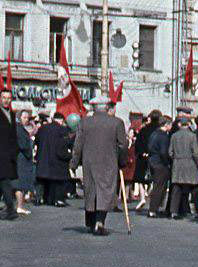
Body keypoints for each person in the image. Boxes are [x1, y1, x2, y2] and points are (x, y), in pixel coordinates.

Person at [69, 95, 128, 235]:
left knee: (91, 191)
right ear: (107, 107)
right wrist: (122, 161)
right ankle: (99, 222)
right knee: (105, 191)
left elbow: (78, 145)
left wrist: (73, 164)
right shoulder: (117, 122)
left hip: (89, 162)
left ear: (93, 108)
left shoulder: (84, 122)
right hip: (109, 162)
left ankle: (91, 222)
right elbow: (123, 145)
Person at [35, 110, 72, 206]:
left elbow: (37, 141)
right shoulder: (63, 130)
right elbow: (63, 147)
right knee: (57, 182)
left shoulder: (42, 128)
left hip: (42, 159)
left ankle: (39, 199)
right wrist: (69, 156)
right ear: (61, 120)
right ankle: (57, 200)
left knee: (42, 181)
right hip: (57, 161)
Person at [167, 117, 198, 220]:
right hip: (190, 164)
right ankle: (197, 210)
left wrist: (175, 159)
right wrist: (197, 163)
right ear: (188, 124)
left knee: (176, 188)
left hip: (177, 164)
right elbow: (195, 152)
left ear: (180, 124)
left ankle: (173, 211)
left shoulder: (174, 136)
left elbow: (170, 152)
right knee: (194, 188)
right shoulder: (192, 136)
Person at [146, 117, 172, 217]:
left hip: (152, 161)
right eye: (170, 124)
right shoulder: (164, 136)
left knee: (156, 186)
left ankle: (154, 208)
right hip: (160, 163)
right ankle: (153, 210)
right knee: (159, 187)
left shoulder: (154, 133)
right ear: (166, 125)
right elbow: (163, 152)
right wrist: (167, 162)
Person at [0, 87, 18, 220]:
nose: (6, 100)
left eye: (8, 98)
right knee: (5, 182)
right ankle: (11, 209)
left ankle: (10, 210)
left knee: (3, 181)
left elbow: (13, 135)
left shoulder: (12, 114)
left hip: (8, 155)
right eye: (4, 98)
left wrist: (14, 152)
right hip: (1, 155)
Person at [15, 109, 35, 214]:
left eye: (28, 118)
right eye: (24, 117)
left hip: (21, 158)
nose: (27, 119)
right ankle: (19, 206)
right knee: (20, 183)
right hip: (21, 158)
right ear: (19, 118)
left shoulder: (20, 128)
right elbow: (22, 145)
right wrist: (28, 153)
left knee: (21, 183)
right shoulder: (19, 129)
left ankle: (20, 205)